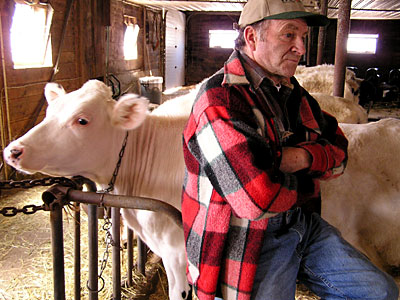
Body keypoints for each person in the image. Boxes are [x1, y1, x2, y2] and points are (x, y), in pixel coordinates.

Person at [181, 0, 400, 299]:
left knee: (381, 292)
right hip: (246, 239)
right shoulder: (219, 99)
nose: (301, 48)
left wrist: (300, 157)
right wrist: (309, 177)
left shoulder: (289, 90)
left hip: (300, 223)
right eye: (289, 34)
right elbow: (255, 200)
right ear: (251, 37)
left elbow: (339, 153)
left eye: (303, 37)